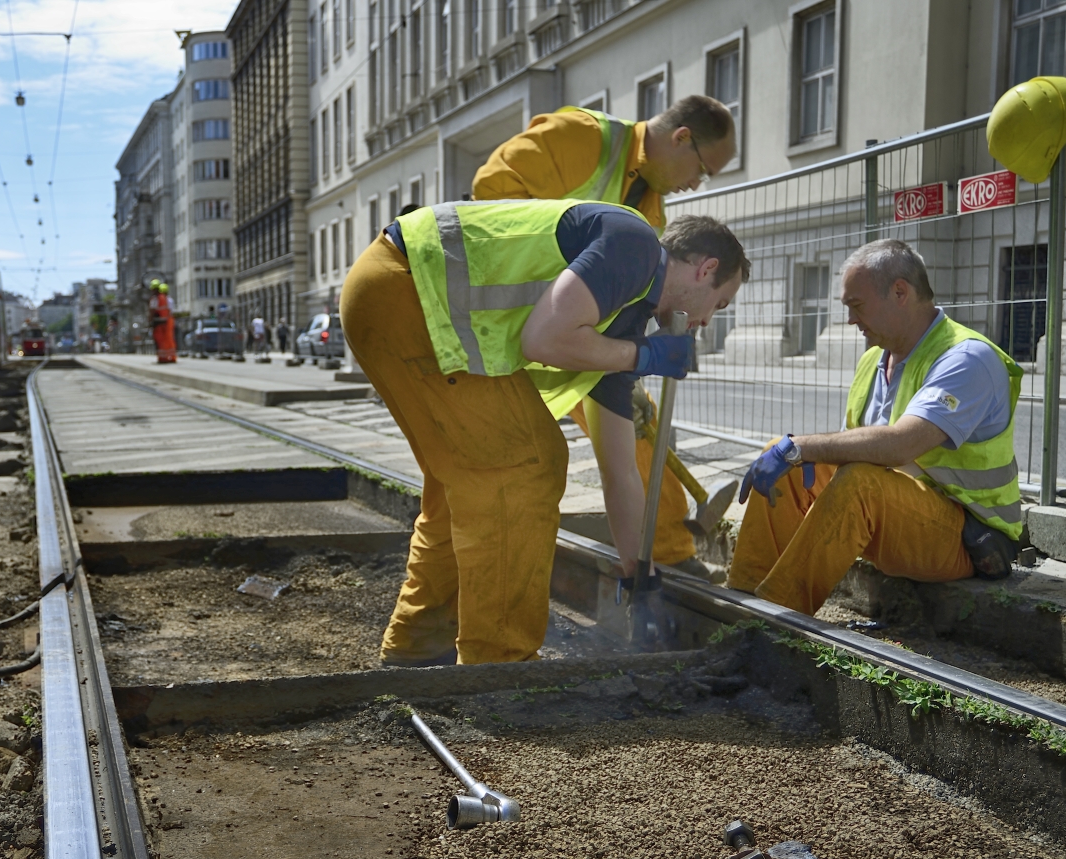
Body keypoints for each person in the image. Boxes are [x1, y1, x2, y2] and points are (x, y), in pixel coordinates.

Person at [342, 199, 748, 666]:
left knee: (467, 483)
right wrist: (643, 356)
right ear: (705, 268)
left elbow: (621, 474)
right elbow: (544, 339)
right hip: (409, 291)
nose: (706, 322)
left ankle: (418, 648)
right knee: (526, 466)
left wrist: (641, 569)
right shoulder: (635, 245)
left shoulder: (620, 321)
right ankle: (500, 665)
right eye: (719, 303)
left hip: (394, 292)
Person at [473, 94, 737, 579]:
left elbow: (627, 301)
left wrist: (627, 360)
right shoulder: (583, 137)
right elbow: (493, 194)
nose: (696, 184)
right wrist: (572, 283)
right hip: (519, 322)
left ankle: (662, 554)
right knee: (503, 468)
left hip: (569, 334)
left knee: (634, 425)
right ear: (681, 138)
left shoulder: (651, 214)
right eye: (702, 169)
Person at [724, 239, 1023, 616]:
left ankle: (770, 621)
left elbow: (899, 445)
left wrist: (801, 446)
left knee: (850, 479)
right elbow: (855, 449)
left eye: (856, 305)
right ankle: (742, 601)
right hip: (902, 515)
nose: (850, 320)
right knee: (784, 461)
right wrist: (790, 452)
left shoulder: (966, 358)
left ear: (900, 292)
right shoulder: (872, 361)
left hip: (969, 537)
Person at [148, 280, 177, 363]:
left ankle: (162, 358)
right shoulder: (167, 299)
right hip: (167, 321)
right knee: (168, 340)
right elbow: (170, 311)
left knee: (160, 340)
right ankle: (171, 356)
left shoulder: (155, 299)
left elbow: (152, 311)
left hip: (158, 323)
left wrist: (149, 321)